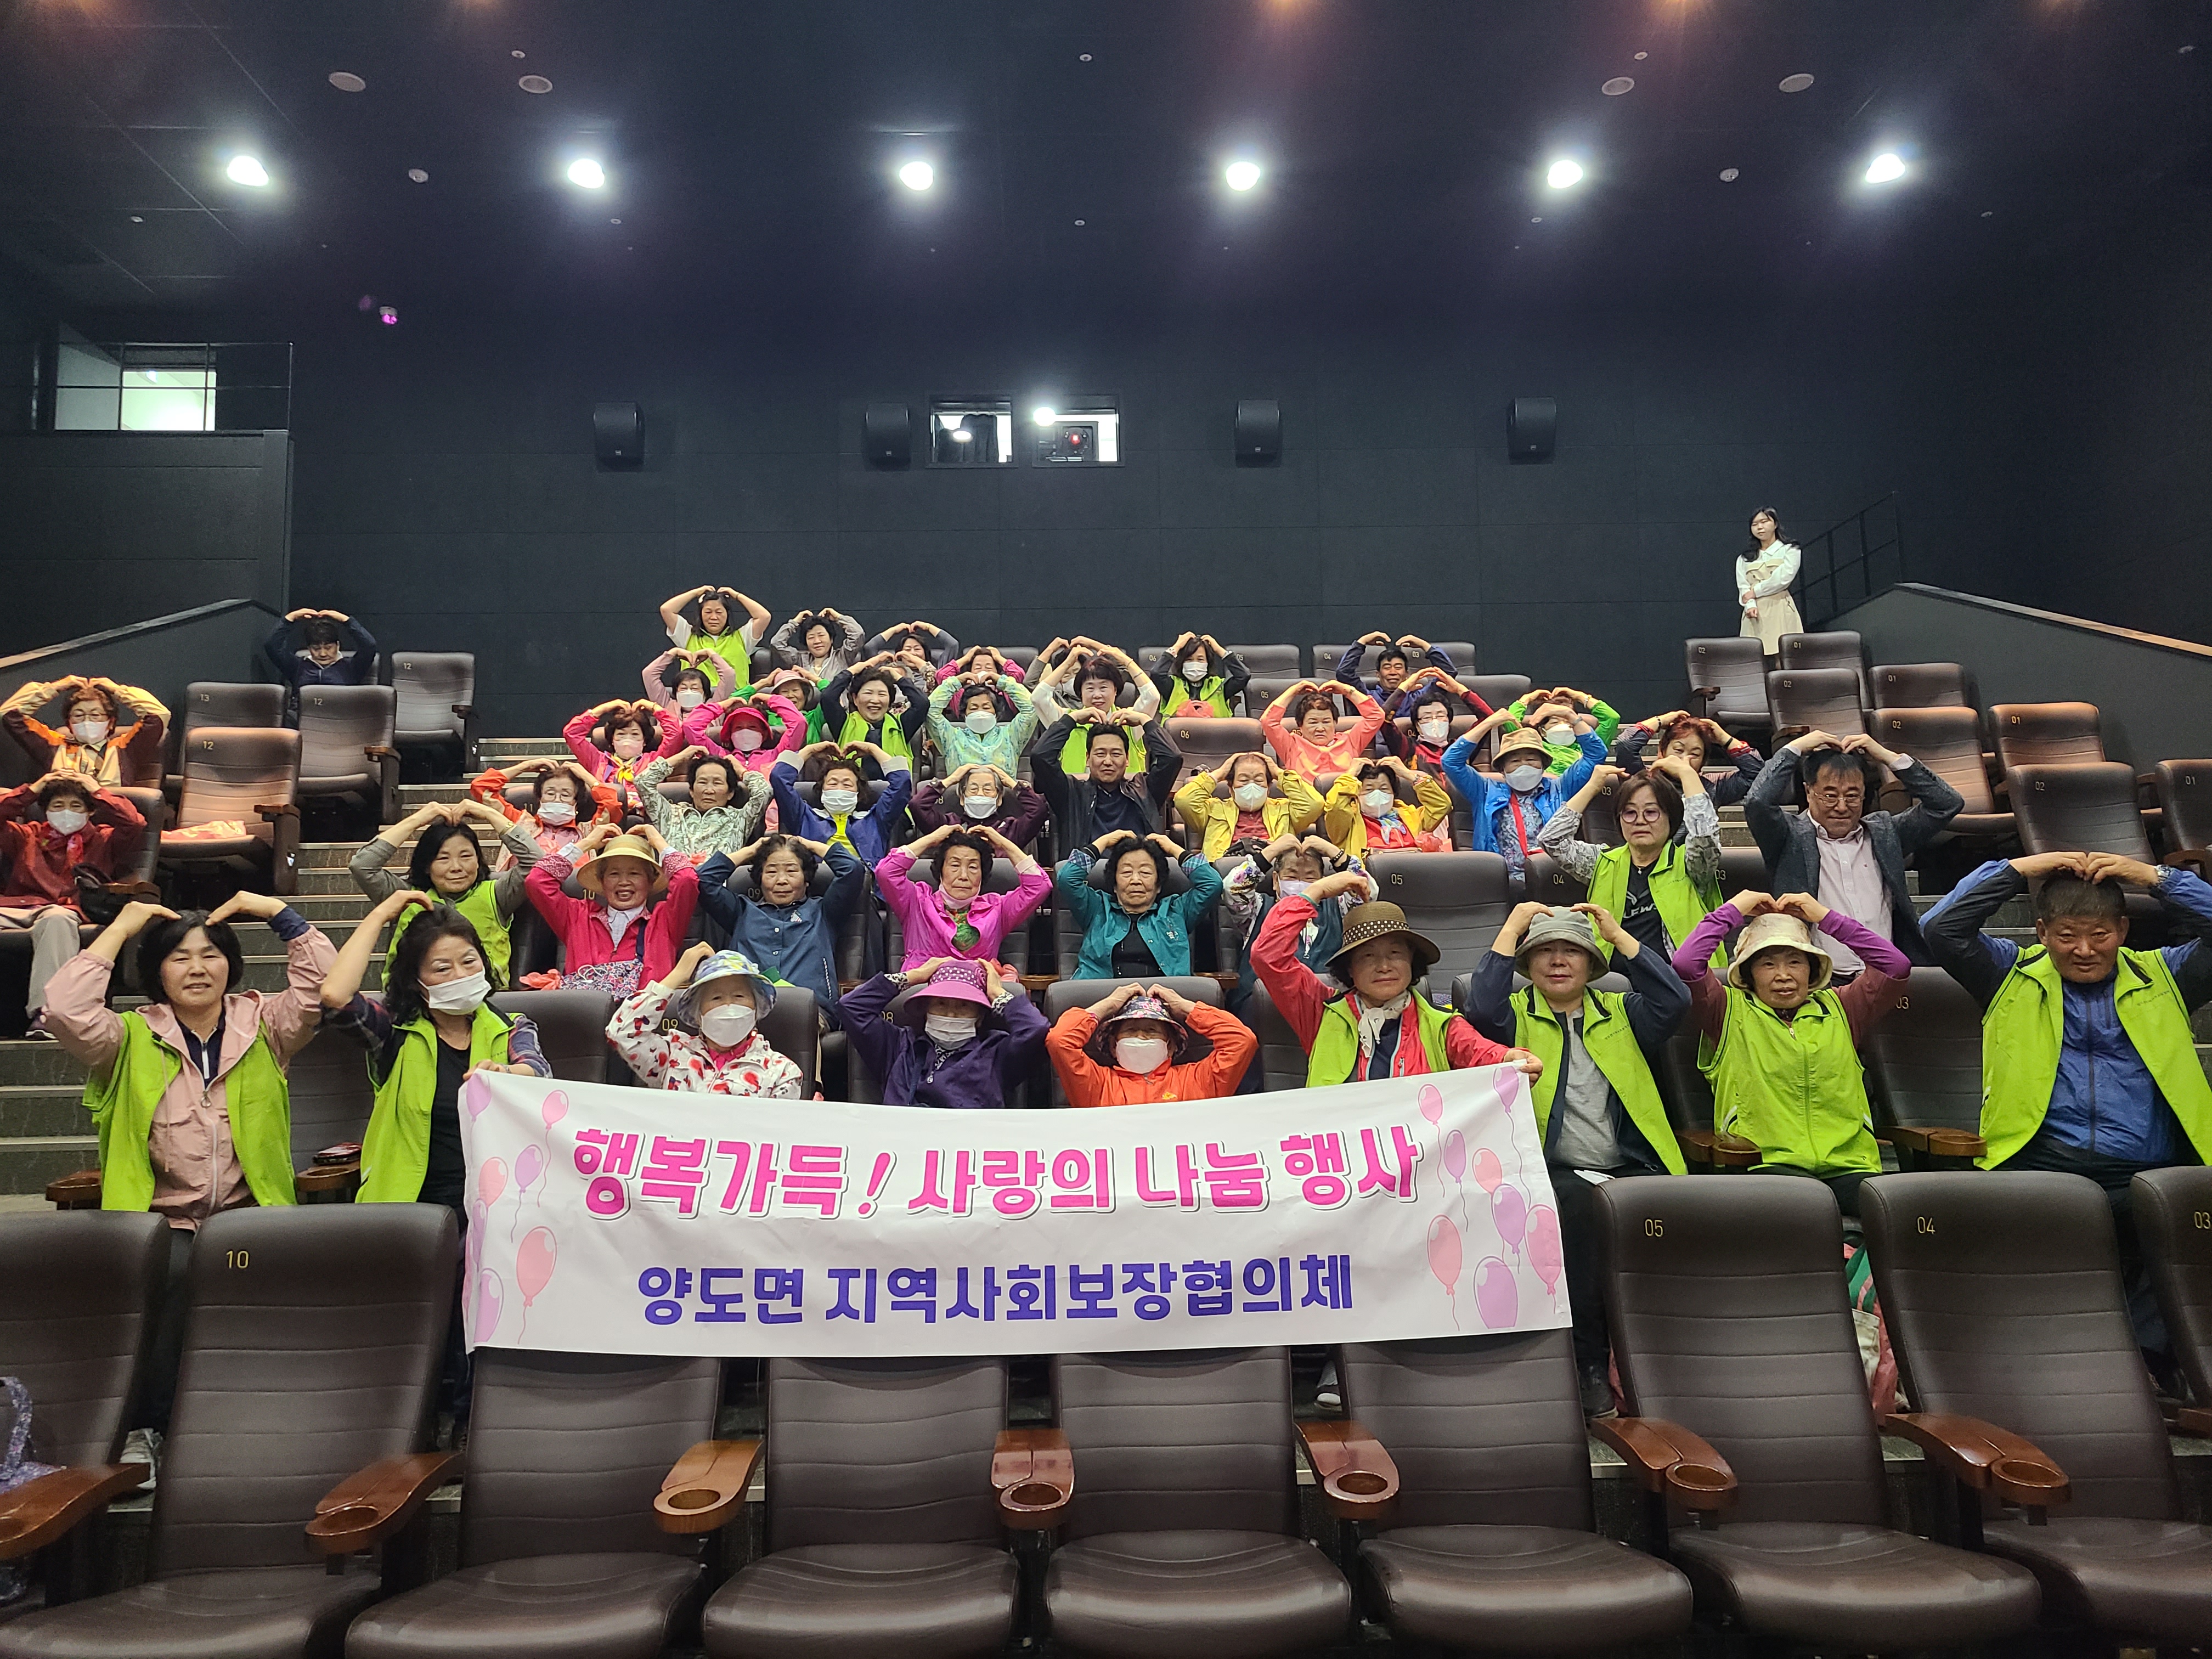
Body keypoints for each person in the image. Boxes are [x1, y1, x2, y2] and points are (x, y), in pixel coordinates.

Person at [44, 892, 332, 1449]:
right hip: (160, 1219)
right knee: (170, 1274)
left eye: (210, 955)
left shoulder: (266, 1025)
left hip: (251, 1214)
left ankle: (264, 1420)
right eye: (180, 957)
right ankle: (150, 1428)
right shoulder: (125, 1037)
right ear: (157, 971)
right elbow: (63, 1010)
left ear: (230, 964)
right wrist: (118, 930)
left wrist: (280, 915)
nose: (197, 968)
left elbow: (324, 989)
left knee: (267, 1271)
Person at [1924, 851, 2212, 1361]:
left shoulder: (2166, 975)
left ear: (2123, 930)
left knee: (2183, 1230)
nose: (2084, 950)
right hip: (2040, 1163)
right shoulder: (2007, 974)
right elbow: (1940, 927)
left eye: (2099, 935)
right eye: (2066, 936)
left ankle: (2145, 1364)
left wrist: (2155, 877)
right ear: (2041, 932)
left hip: (2147, 1168)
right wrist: (2019, 869)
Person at [1469, 902, 1691, 1412]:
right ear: (1528, 963)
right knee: (1583, 1218)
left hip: (1633, 1165)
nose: (1558, 961)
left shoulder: (1623, 1012)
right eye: (1544, 951)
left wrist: (1618, 935)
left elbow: (1675, 999)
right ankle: (1589, 1361)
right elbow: (1479, 1008)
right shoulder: (1515, 1015)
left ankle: (1669, 1366)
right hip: (1555, 1169)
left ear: (1592, 964)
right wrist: (1512, 927)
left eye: (1571, 950)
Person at [1672, 891, 1908, 1215]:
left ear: (1812, 970)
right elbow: (1686, 964)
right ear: (1749, 974)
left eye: (1795, 962)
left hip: (1851, 1165)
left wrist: (1825, 917)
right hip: (1764, 1165)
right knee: (1812, 1210)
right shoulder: (1725, 1010)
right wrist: (1735, 909)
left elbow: (1895, 967)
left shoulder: (1843, 1007)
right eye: (1768, 964)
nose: (1783, 975)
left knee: (1898, 1214)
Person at [321, 891, 549, 1207]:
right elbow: (336, 996)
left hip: (498, 1206)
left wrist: (505, 1073)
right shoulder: (394, 1032)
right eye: (443, 969)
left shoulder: (511, 1026)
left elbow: (538, 1071)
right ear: (416, 982)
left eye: (469, 962)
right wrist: (380, 915)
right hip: (407, 1210)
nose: (461, 975)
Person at [1249, 885, 1540, 1085]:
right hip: (1341, 1153)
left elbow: (1482, 1053)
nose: (1384, 966)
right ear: (1349, 968)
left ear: (1412, 961)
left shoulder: (1441, 1025)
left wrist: (1512, 1059)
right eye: (1368, 956)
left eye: (1395, 954)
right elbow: (1267, 956)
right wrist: (1317, 892)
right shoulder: (1320, 1011)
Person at [1744, 728, 1963, 968]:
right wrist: (1794, 749)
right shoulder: (1788, 837)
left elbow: (1947, 804)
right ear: (1808, 792)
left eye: (1852, 796)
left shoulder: (1885, 834)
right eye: (1830, 796)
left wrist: (1887, 756)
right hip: (1819, 979)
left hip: (1886, 975)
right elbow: (1757, 802)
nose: (1841, 807)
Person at [0, 770, 145, 1036]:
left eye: (76, 806)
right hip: (18, 907)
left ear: (90, 811)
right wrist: (33, 789)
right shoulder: (27, 835)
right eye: (58, 806)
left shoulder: (104, 838)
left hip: (66, 910)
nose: (66, 812)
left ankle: (48, 1016)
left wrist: (97, 791)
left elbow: (134, 823)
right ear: (45, 811)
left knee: (57, 918)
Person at [1536, 758, 1723, 962]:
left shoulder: (1691, 863)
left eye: (1651, 812)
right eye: (1630, 813)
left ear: (1671, 817)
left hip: (1675, 977)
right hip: (1610, 979)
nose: (1640, 821)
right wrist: (1591, 787)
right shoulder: (1601, 862)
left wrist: (1688, 775)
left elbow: (1705, 836)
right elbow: (1551, 840)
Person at [350, 799, 541, 980]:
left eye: (466, 856)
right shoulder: (405, 897)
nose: (456, 867)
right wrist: (416, 820)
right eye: (443, 858)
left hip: (485, 997)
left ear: (478, 861)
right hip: (414, 1000)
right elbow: (362, 866)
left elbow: (538, 863)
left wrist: (489, 813)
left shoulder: (498, 894)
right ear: (427, 866)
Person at [696, 834, 866, 1026]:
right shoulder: (741, 912)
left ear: (807, 878)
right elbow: (703, 880)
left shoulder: (824, 912)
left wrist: (810, 845)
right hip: (748, 1014)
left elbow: (852, 869)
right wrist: (751, 851)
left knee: (796, 1027)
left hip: (810, 1014)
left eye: (792, 871)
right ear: (760, 879)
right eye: (771, 872)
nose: (782, 880)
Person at [840, 957, 1046, 1110]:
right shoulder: (898, 1045)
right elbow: (851, 1008)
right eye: (940, 1004)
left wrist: (997, 993)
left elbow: (1036, 1030)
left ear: (980, 1017)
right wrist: (914, 976)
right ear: (926, 1010)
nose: (951, 1014)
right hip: (904, 1145)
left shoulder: (996, 1053)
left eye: (964, 1006)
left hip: (968, 1147)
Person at [525, 822, 698, 998]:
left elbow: (687, 880)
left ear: (651, 881)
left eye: (634, 874)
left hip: (644, 1015)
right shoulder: (577, 916)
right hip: (584, 1014)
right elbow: (537, 881)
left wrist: (658, 841)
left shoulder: (665, 922)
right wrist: (587, 843)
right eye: (614, 874)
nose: (624, 882)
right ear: (602, 881)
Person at [610, 943, 806, 1097]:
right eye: (716, 998)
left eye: (739, 996)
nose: (728, 1005)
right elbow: (621, 1034)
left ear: (757, 1008)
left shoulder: (782, 1072)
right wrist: (677, 975)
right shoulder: (673, 1055)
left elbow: (776, 1131)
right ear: (698, 1012)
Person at [1441, 716, 1604, 887]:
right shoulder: (1484, 791)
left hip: (1553, 877)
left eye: (1531, 759)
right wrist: (1489, 723)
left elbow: (1596, 754)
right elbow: (1451, 762)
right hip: (1500, 881)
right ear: (1502, 770)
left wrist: (1571, 717)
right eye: (1515, 761)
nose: (1524, 765)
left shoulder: (1561, 788)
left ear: (1543, 766)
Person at [1220, 834, 1375, 1011]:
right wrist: (1271, 851)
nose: (1301, 885)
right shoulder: (1257, 909)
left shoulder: (1339, 909)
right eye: (1292, 877)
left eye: (1310, 878)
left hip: (1328, 1006)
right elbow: (1232, 888)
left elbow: (1367, 890)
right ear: (1276, 881)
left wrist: (1334, 853)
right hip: (1263, 1007)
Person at [1047, 981, 1258, 1107]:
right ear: (1113, 1046)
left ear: (1170, 1046)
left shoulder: (1199, 1079)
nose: (1141, 1036)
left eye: (1151, 1031)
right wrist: (1109, 1005)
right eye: (1130, 1030)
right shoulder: (1096, 1084)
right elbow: (1060, 1041)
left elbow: (1241, 1041)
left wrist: (1185, 1007)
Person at [877, 823, 1049, 972]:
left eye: (973, 867)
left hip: (975, 992)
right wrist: (931, 839)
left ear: (983, 874)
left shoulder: (998, 909)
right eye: (955, 865)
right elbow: (886, 872)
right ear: (940, 871)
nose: (963, 876)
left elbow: (1039, 886)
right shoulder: (916, 902)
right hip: (922, 990)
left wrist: (1003, 843)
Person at [1059, 830, 1226, 980]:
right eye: (1126, 872)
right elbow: (1067, 879)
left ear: (1159, 885)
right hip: (1101, 998)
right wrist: (1103, 841)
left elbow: (1212, 884)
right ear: (1114, 884)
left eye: (1145, 872)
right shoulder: (1096, 909)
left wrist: (1174, 849)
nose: (1136, 880)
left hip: (1164, 999)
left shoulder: (1177, 911)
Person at [1031, 714, 1181, 848]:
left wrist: (1146, 720)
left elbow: (1172, 758)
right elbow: (1041, 756)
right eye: (1100, 754)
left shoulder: (1145, 790)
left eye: (1116, 754)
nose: (1108, 761)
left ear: (1127, 759)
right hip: (1086, 870)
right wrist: (1071, 719)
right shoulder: (1070, 793)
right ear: (1088, 759)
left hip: (1137, 869)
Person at [2, 674, 168, 787]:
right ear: (69, 723)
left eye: (95, 715)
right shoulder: (53, 747)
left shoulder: (126, 749)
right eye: (79, 715)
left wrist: (117, 690)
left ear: (111, 722)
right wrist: (54, 688)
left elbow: (159, 715)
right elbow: (9, 714)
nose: (87, 721)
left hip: (111, 821)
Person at [770, 742, 913, 867]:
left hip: (863, 884)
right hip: (818, 881)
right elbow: (779, 778)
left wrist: (873, 749)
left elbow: (902, 782)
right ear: (822, 790)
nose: (839, 789)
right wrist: (810, 750)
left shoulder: (875, 820)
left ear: (858, 793)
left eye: (847, 785)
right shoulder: (803, 817)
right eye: (833, 784)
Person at [1175, 751, 1325, 862]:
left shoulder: (1285, 809)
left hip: (1274, 869)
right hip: (1226, 869)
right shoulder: (1214, 809)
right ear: (1230, 788)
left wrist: (1280, 774)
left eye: (1259, 780)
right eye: (1243, 780)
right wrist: (1218, 774)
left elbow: (1315, 804)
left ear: (1268, 788)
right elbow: (1184, 800)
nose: (1252, 785)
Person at [634, 747, 772, 865]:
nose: (709, 790)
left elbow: (764, 792)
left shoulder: (740, 818)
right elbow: (643, 782)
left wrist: (740, 769)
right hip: (673, 882)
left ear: (730, 793)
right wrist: (683, 756)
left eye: (717, 783)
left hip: (717, 883)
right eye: (702, 782)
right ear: (691, 790)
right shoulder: (669, 813)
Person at [467, 758, 615, 867]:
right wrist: (524, 767)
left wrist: (587, 777)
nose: (557, 799)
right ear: (540, 799)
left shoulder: (590, 832)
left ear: (576, 803)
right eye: (550, 793)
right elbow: (482, 788)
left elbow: (611, 804)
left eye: (566, 795)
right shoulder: (519, 823)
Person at [1611, 710, 1764, 808]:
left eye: (1695, 754)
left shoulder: (1712, 787)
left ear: (1703, 761)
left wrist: (1725, 739)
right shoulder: (1642, 779)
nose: (1685, 759)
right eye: (1678, 750)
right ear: (1661, 751)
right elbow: (1625, 745)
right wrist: (1660, 720)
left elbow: (1757, 775)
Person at [565, 696, 679, 813]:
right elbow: (572, 734)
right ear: (612, 740)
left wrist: (654, 707)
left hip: (645, 817)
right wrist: (604, 708)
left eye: (635, 734)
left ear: (644, 741)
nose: (628, 740)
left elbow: (676, 733)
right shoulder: (597, 760)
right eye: (621, 734)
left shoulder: (655, 760)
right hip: (605, 817)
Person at [927, 658, 1040, 774]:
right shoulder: (951, 738)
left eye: (986, 707)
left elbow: (1031, 708)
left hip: (1002, 786)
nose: (980, 712)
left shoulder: (1011, 736)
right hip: (962, 786)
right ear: (964, 715)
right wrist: (955, 683)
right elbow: (930, 711)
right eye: (973, 708)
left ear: (996, 714)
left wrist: (1003, 682)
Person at [1324, 754, 1453, 856]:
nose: (1377, 794)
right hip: (1367, 878)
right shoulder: (1347, 822)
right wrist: (1350, 775)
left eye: (1384, 789)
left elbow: (1441, 805)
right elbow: (1335, 806)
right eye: (1369, 789)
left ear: (1394, 792)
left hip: (1413, 874)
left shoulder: (1412, 816)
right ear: (1357, 793)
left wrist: (1409, 775)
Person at [819, 655, 930, 772]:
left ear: (890, 701)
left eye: (882, 694)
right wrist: (852, 671)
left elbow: (922, 703)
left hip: (893, 782)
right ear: (855, 699)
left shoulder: (901, 725)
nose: (875, 700)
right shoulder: (844, 723)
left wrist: (899, 678)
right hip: (852, 783)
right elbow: (828, 697)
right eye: (868, 693)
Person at [910, 762, 1049, 852]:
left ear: (999, 799)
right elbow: (917, 806)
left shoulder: (1010, 829)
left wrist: (1011, 783)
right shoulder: (950, 826)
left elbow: (1039, 811)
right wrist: (949, 781)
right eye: (973, 789)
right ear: (962, 798)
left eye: (988, 789)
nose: (980, 794)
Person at [1032, 637, 1159, 735]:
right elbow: (1038, 697)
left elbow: (1152, 696)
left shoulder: (1130, 721)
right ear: (1080, 693)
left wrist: (1126, 660)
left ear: (1115, 690)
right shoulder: (1065, 721)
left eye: (1103, 688)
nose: (1097, 695)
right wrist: (1066, 664)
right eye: (1090, 688)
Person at [1261, 679, 1386, 777]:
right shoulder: (1291, 746)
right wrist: (1293, 692)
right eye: (1313, 723)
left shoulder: (1350, 740)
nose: (1320, 728)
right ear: (1300, 725)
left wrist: (1348, 691)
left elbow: (1376, 716)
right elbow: (1268, 721)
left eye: (1326, 722)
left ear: (1335, 723)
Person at [262, 607, 379, 711]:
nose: (323, 654)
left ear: (338, 646)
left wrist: (347, 621)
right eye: (316, 649)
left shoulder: (352, 667)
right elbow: (272, 646)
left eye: (328, 648)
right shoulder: (297, 667)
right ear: (309, 648)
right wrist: (290, 619)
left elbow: (369, 646)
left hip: (341, 720)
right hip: (302, 719)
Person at [661, 584, 770, 691]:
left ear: (727, 614)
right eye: (708, 612)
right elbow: (666, 610)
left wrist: (736, 595)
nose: (714, 617)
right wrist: (696, 593)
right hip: (700, 698)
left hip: (735, 698)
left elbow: (764, 617)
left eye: (719, 612)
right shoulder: (687, 636)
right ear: (700, 614)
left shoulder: (743, 637)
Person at [1500, 687, 1621, 778]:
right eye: (1555, 722)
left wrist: (1580, 696)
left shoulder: (1590, 747)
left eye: (1568, 721)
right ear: (1543, 731)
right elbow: (1510, 722)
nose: (1563, 726)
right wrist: (1527, 699)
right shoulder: (1533, 748)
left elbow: (1611, 718)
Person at [1736, 506, 1803, 657]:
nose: (1760, 527)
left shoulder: (1790, 550)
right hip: (1755, 612)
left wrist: (1756, 591)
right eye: (1755, 524)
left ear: (1775, 524)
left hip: (1780, 607)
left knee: (1784, 656)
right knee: (1755, 658)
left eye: (1764, 522)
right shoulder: (1745, 558)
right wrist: (1750, 605)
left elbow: (1783, 579)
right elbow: (1743, 586)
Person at [1337, 634, 1459, 707]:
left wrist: (1424, 645)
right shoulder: (1367, 697)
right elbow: (1344, 674)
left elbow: (1448, 673)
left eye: (1398, 667)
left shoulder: (1420, 698)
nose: (1393, 672)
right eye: (1387, 667)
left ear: (1407, 674)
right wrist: (1362, 642)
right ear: (1378, 675)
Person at [1149, 632, 1250, 719]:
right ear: (1181, 663)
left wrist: (1219, 650)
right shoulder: (1173, 686)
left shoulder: (1219, 687)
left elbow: (1243, 676)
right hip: (1177, 736)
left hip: (1214, 736)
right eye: (1189, 660)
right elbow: (1156, 673)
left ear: (1208, 663)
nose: (1195, 664)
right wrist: (1177, 646)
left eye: (1200, 660)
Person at [770, 607, 866, 692]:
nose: (817, 641)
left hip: (836, 706)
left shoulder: (843, 657)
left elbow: (858, 634)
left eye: (821, 635)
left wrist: (838, 617)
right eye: (811, 637)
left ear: (831, 639)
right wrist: (794, 623)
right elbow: (777, 643)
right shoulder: (799, 659)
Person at [640, 646, 736, 731]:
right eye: (683, 688)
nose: (688, 692)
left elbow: (729, 675)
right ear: (676, 692)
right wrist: (673, 653)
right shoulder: (666, 705)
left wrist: (710, 653)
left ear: (705, 693)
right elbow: (649, 674)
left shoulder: (714, 706)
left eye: (695, 688)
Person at [862, 620, 961, 675]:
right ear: (900, 654)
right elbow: (870, 648)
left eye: (917, 649)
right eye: (907, 650)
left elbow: (953, 645)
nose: (913, 653)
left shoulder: (938, 669)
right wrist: (894, 630)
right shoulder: (889, 669)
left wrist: (928, 627)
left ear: (925, 653)